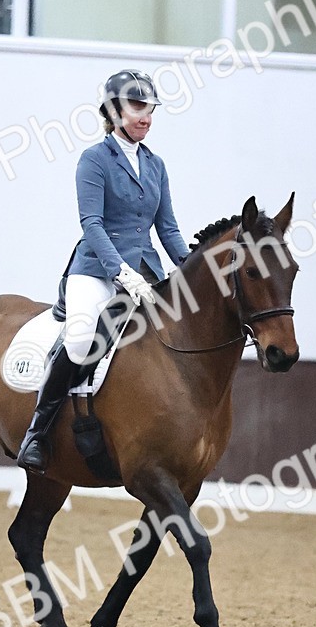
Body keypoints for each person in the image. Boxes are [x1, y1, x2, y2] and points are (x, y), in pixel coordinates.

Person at [18, 69, 191, 473]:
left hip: (146, 272)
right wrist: (119, 271)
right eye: (136, 107)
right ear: (114, 111)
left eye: (149, 108)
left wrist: (190, 266)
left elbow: (166, 227)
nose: (145, 115)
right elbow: (91, 224)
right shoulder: (94, 159)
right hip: (96, 270)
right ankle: (37, 433)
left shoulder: (156, 164)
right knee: (81, 342)